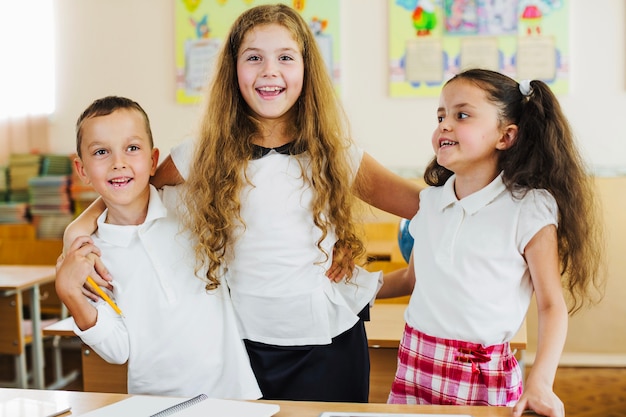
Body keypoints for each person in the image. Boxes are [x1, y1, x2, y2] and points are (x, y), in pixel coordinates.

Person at [63, 4, 422, 402]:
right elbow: (134, 188)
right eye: (254, 58)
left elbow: (426, 207)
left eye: (286, 57)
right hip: (242, 351)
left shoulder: (336, 154)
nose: (270, 71)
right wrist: (78, 227)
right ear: (234, 70)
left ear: (306, 69)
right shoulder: (199, 154)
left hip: (330, 347)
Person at [377, 69, 604, 417]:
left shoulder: (529, 208)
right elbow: (412, 280)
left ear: (506, 136)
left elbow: (550, 306)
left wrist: (541, 381)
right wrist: (354, 285)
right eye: (441, 116)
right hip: (414, 365)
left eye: (461, 115)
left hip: (484, 380)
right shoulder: (431, 204)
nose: (444, 125)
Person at [55, 96, 261, 399]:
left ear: (153, 160)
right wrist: (69, 293)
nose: (118, 163)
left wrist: (75, 226)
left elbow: (209, 144)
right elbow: (117, 350)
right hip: (154, 403)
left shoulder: (190, 206)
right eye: (101, 152)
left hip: (234, 396)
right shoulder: (92, 256)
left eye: (132, 148)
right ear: (82, 169)